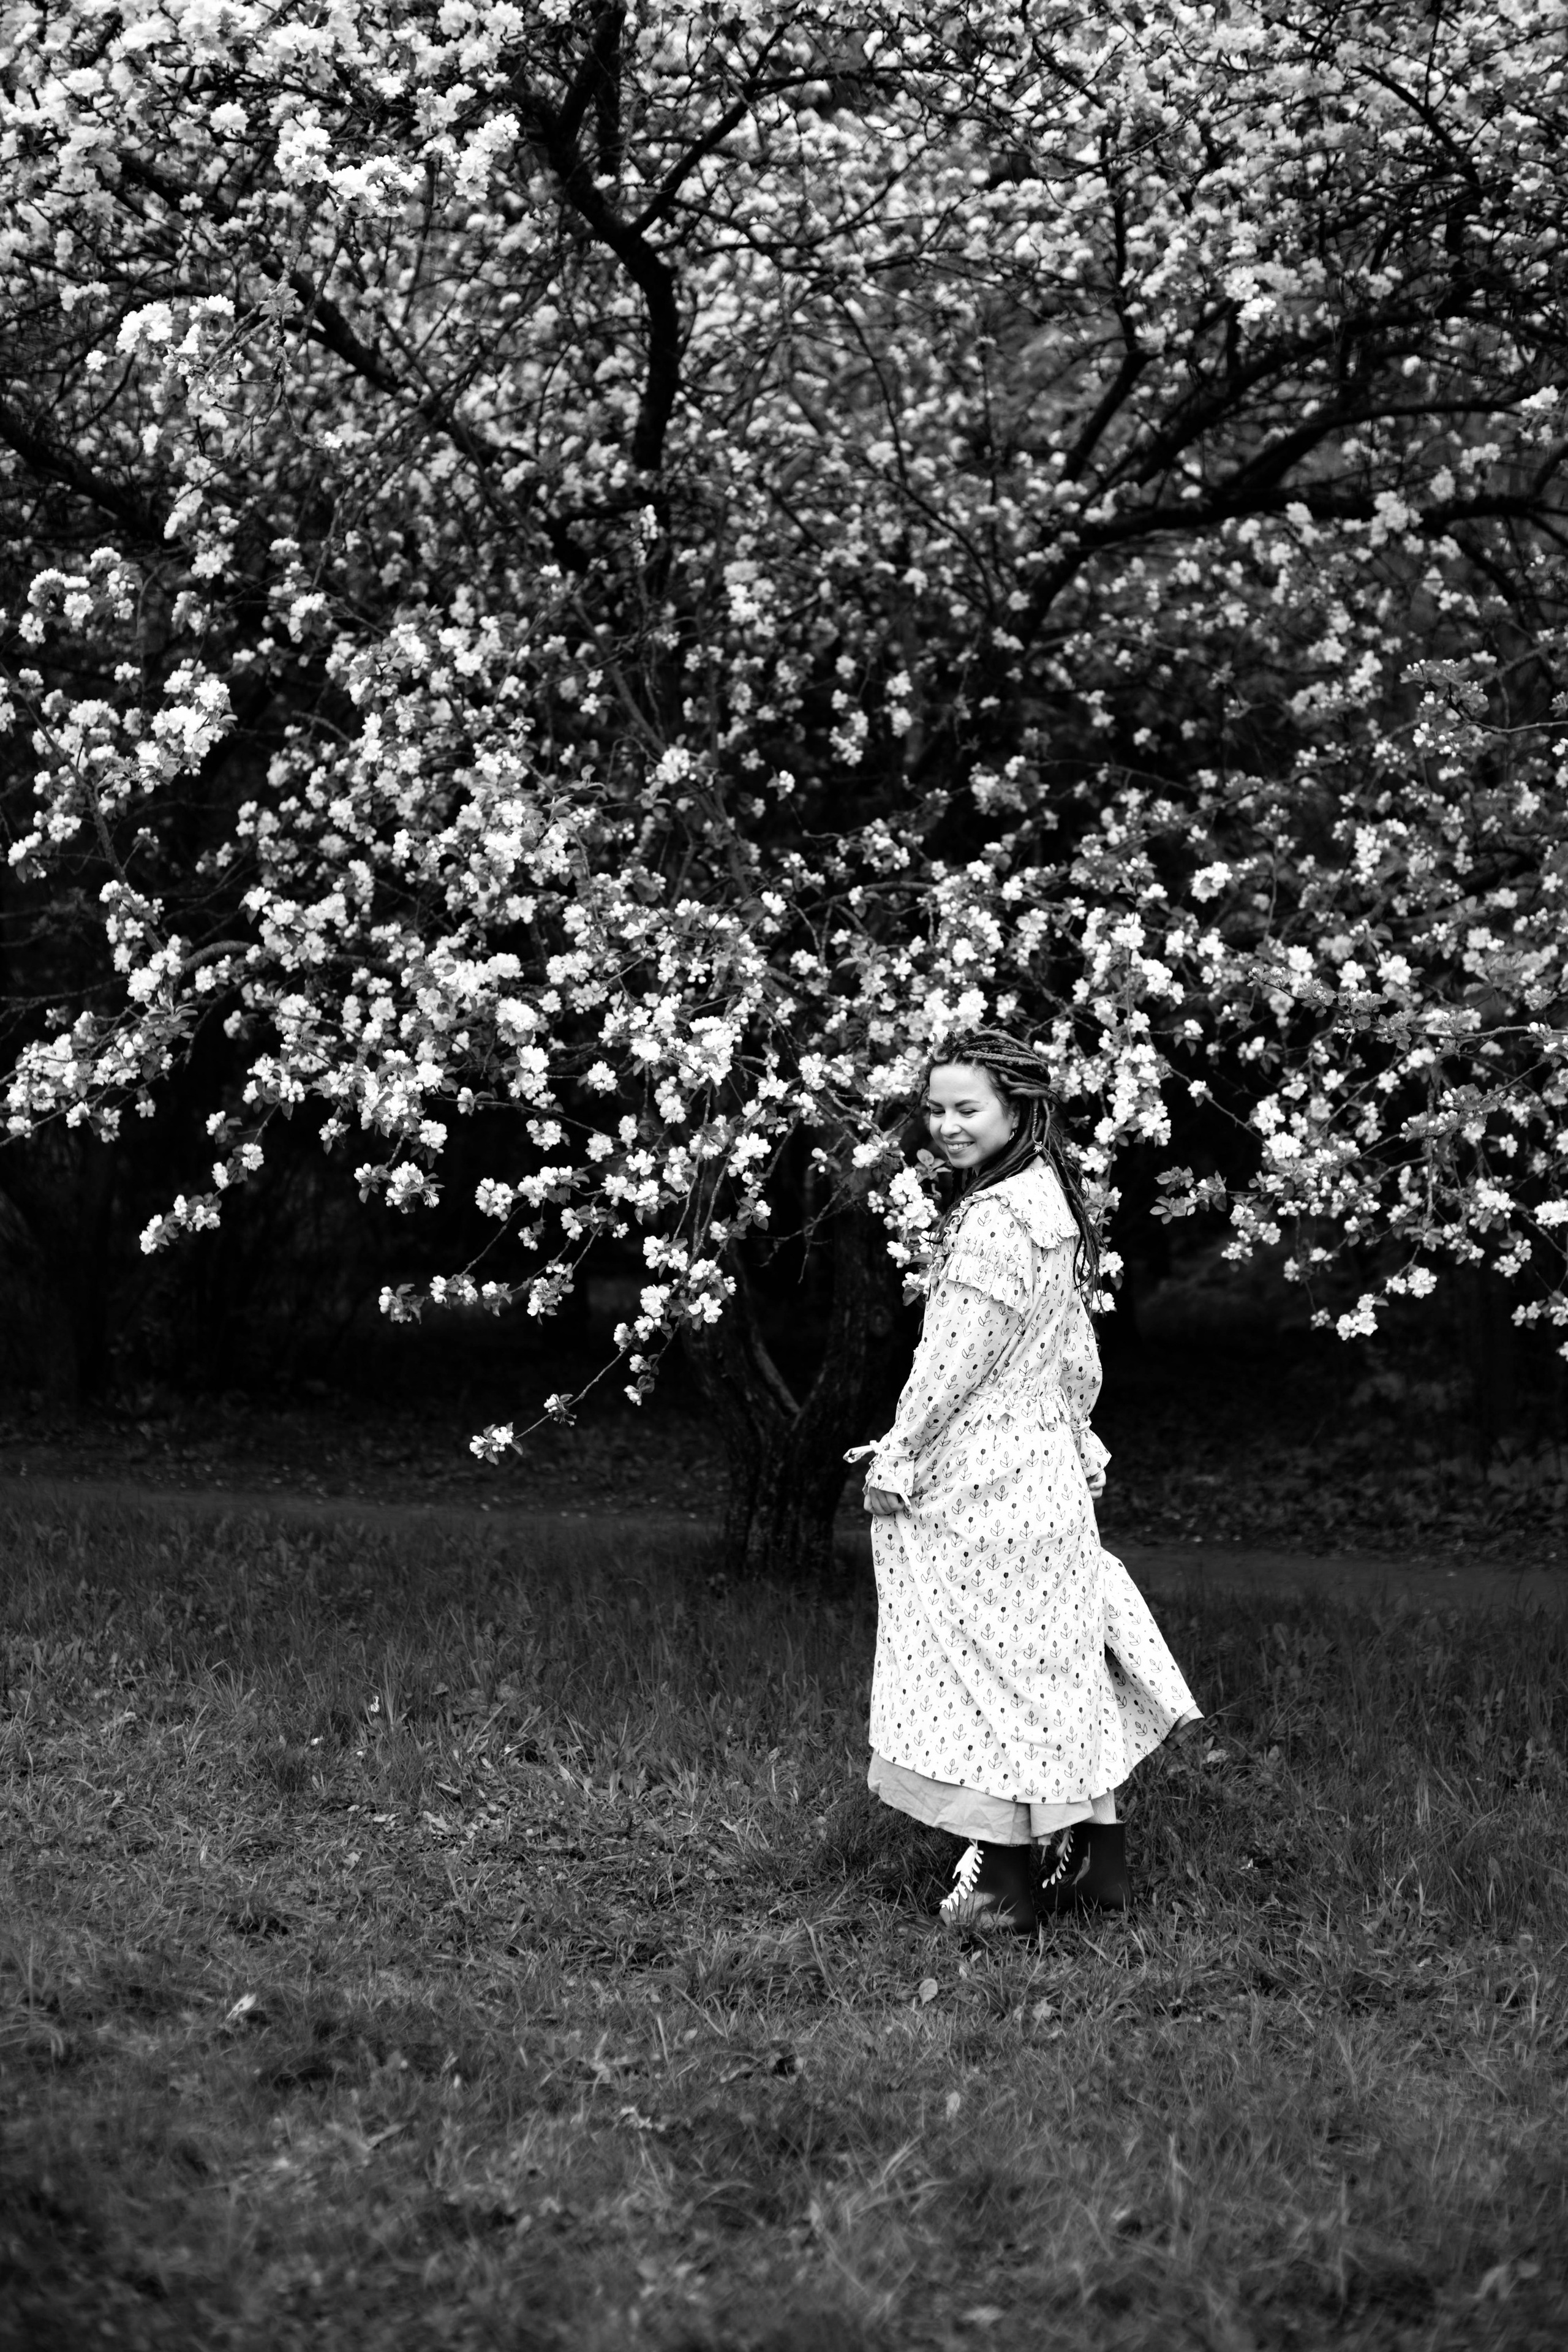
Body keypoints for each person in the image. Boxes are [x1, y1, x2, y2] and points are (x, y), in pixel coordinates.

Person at [846, 1028, 1200, 1932]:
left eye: (968, 1109)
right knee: (1048, 1668)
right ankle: (1093, 1867)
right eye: (935, 1109)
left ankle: (1003, 1886)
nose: (947, 1126)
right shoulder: (1049, 1204)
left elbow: (950, 1355)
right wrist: (1077, 1435)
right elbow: (1075, 1353)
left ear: (1020, 1110)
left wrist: (901, 1452)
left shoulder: (996, 1219)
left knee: (982, 1678)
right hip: (1040, 1469)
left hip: (981, 1476)